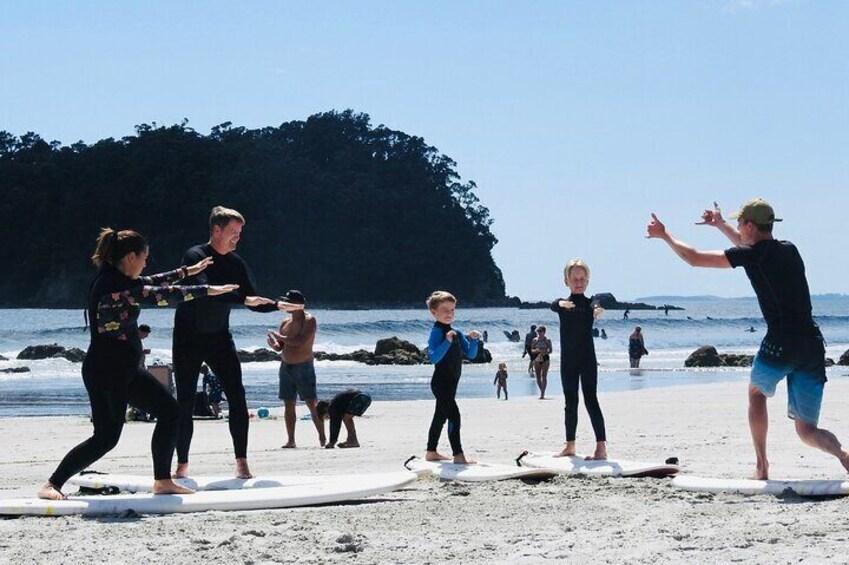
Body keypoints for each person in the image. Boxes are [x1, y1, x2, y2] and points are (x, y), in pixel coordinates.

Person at [647, 199, 849, 479]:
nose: (739, 228)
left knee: (756, 394)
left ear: (751, 226)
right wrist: (721, 225)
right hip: (812, 344)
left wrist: (664, 235)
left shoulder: (752, 256)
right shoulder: (790, 250)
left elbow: (693, 258)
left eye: (741, 223)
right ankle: (844, 455)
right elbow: (749, 248)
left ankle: (761, 466)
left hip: (780, 343)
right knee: (806, 431)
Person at [38, 228, 238, 501]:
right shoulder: (114, 285)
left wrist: (188, 271)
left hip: (127, 370)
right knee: (106, 438)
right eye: (144, 258)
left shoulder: (120, 279)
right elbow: (160, 294)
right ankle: (52, 483)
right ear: (131, 256)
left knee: (170, 412)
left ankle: (163, 480)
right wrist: (207, 289)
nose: (146, 263)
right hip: (105, 373)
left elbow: (151, 281)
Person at [172, 206, 280, 480]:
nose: (237, 238)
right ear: (216, 230)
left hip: (219, 337)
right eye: (233, 232)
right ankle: (182, 463)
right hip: (188, 338)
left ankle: (242, 462)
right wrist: (244, 300)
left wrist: (281, 305)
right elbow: (206, 293)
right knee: (184, 402)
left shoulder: (236, 263)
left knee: (237, 396)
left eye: (239, 233)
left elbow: (252, 299)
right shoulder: (196, 256)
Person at [550, 259, 608, 461]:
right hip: (568, 361)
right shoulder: (563, 304)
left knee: (591, 399)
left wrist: (597, 309)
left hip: (587, 359)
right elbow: (554, 305)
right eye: (574, 278)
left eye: (582, 278)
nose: (578, 282)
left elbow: (595, 303)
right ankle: (570, 445)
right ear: (566, 281)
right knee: (570, 401)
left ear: (588, 281)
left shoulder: (590, 303)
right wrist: (561, 304)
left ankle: (601, 448)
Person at [424, 290, 482, 465]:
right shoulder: (437, 332)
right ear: (433, 312)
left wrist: (474, 340)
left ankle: (431, 452)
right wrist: (446, 342)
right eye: (445, 310)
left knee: (440, 417)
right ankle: (458, 455)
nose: (449, 313)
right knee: (454, 416)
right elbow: (433, 357)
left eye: (452, 310)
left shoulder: (456, 331)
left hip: (451, 384)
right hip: (440, 383)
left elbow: (471, 355)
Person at [266, 290, 325, 448]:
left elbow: (300, 341)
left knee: (312, 404)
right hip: (286, 366)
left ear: (298, 304)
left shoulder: (309, 320)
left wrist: (280, 338)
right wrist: (275, 345)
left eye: (288, 302)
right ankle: (291, 440)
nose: (285, 305)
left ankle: (322, 438)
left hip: (304, 366)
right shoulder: (285, 322)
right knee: (288, 404)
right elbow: (282, 347)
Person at [531, 326, 553, 399]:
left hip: (545, 358)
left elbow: (551, 350)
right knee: (538, 376)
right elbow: (532, 350)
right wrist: (536, 350)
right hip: (537, 358)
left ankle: (542, 393)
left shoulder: (547, 340)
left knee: (544, 376)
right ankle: (542, 390)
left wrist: (545, 352)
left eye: (541, 332)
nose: (539, 333)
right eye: (538, 332)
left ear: (544, 332)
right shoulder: (535, 340)